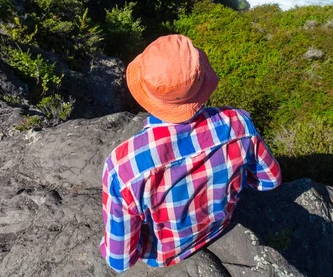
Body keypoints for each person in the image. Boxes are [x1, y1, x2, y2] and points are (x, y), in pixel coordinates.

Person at [100, 34, 282, 272]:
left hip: (162, 254)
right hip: (218, 227)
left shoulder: (124, 166)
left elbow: (120, 260)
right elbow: (270, 181)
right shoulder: (239, 124)